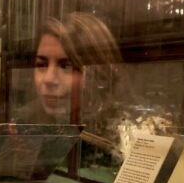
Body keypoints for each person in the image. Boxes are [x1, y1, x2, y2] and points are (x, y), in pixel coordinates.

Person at [13, 12, 126, 165]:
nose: (48, 79)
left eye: (66, 66)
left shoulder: (126, 130)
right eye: (42, 65)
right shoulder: (24, 124)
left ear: (100, 72)